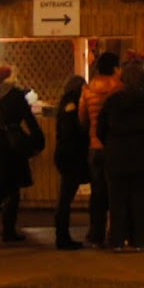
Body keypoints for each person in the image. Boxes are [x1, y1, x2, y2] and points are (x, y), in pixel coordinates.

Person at [96, 61, 144, 252]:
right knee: (141, 200)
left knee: (117, 200)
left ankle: (117, 240)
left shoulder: (112, 102)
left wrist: (111, 143)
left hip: (116, 154)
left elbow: (101, 129)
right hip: (142, 154)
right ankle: (138, 242)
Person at [0, 67, 45, 244]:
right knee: (13, 188)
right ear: (9, 77)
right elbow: (28, 118)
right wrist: (37, 139)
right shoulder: (15, 95)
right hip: (13, 144)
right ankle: (8, 230)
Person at [80, 52, 124, 248]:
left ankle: (95, 234)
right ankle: (115, 233)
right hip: (115, 146)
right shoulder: (119, 88)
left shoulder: (87, 89)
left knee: (97, 193)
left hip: (94, 146)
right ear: (115, 68)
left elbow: (82, 118)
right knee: (116, 192)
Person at [53, 76, 88, 250]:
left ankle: (62, 234)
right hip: (71, 156)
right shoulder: (72, 103)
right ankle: (62, 236)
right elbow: (71, 129)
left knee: (65, 197)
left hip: (65, 154)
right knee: (66, 197)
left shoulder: (65, 102)